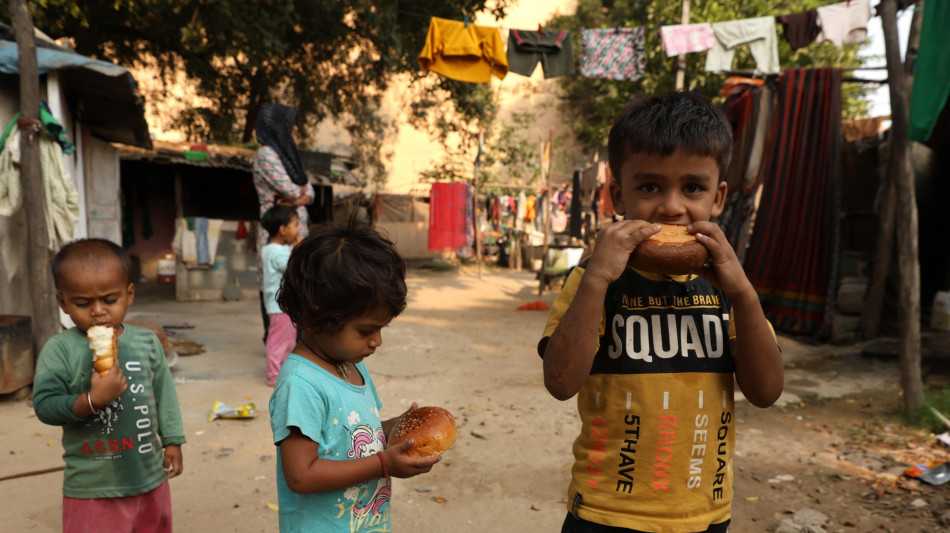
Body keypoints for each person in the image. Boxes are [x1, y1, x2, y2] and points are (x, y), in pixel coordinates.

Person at [538, 91, 784, 533]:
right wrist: (597, 280)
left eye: (692, 188)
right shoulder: (594, 281)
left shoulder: (729, 289)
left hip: (704, 514)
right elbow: (560, 383)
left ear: (718, 198)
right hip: (605, 512)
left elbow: (766, 392)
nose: (671, 207)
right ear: (618, 196)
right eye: (650, 187)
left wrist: (745, 295)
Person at [268, 222, 441, 532]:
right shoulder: (301, 385)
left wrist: (401, 427)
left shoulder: (352, 365)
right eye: (366, 331)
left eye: (381, 329)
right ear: (315, 315)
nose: (377, 341)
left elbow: (361, 435)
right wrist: (384, 464)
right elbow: (301, 475)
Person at [32, 239, 186, 533]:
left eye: (110, 300)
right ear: (62, 302)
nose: (98, 311)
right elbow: (45, 405)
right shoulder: (59, 349)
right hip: (93, 487)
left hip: (149, 476)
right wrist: (92, 400)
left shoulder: (146, 341)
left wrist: (173, 440)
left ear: (129, 294)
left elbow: (164, 394)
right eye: (82, 303)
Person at [253, 102, 313, 344]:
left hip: (295, 231)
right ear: (278, 126)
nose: (295, 129)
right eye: (291, 124)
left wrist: (299, 197)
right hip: (276, 231)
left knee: (296, 282)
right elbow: (292, 188)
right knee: (274, 286)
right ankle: (275, 342)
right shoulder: (266, 154)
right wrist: (299, 195)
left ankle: (293, 340)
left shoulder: (288, 155)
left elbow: (309, 191)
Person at [261, 204, 301, 386]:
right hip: (279, 307)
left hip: (284, 306)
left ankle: (283, 372)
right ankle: (274, 376)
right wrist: (300, 250)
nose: (299, 229)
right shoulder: (274, 251)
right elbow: (292, 268)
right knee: (278, 341)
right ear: (283, 229)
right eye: (295, 224)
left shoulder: (280, 249)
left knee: (288, 341)